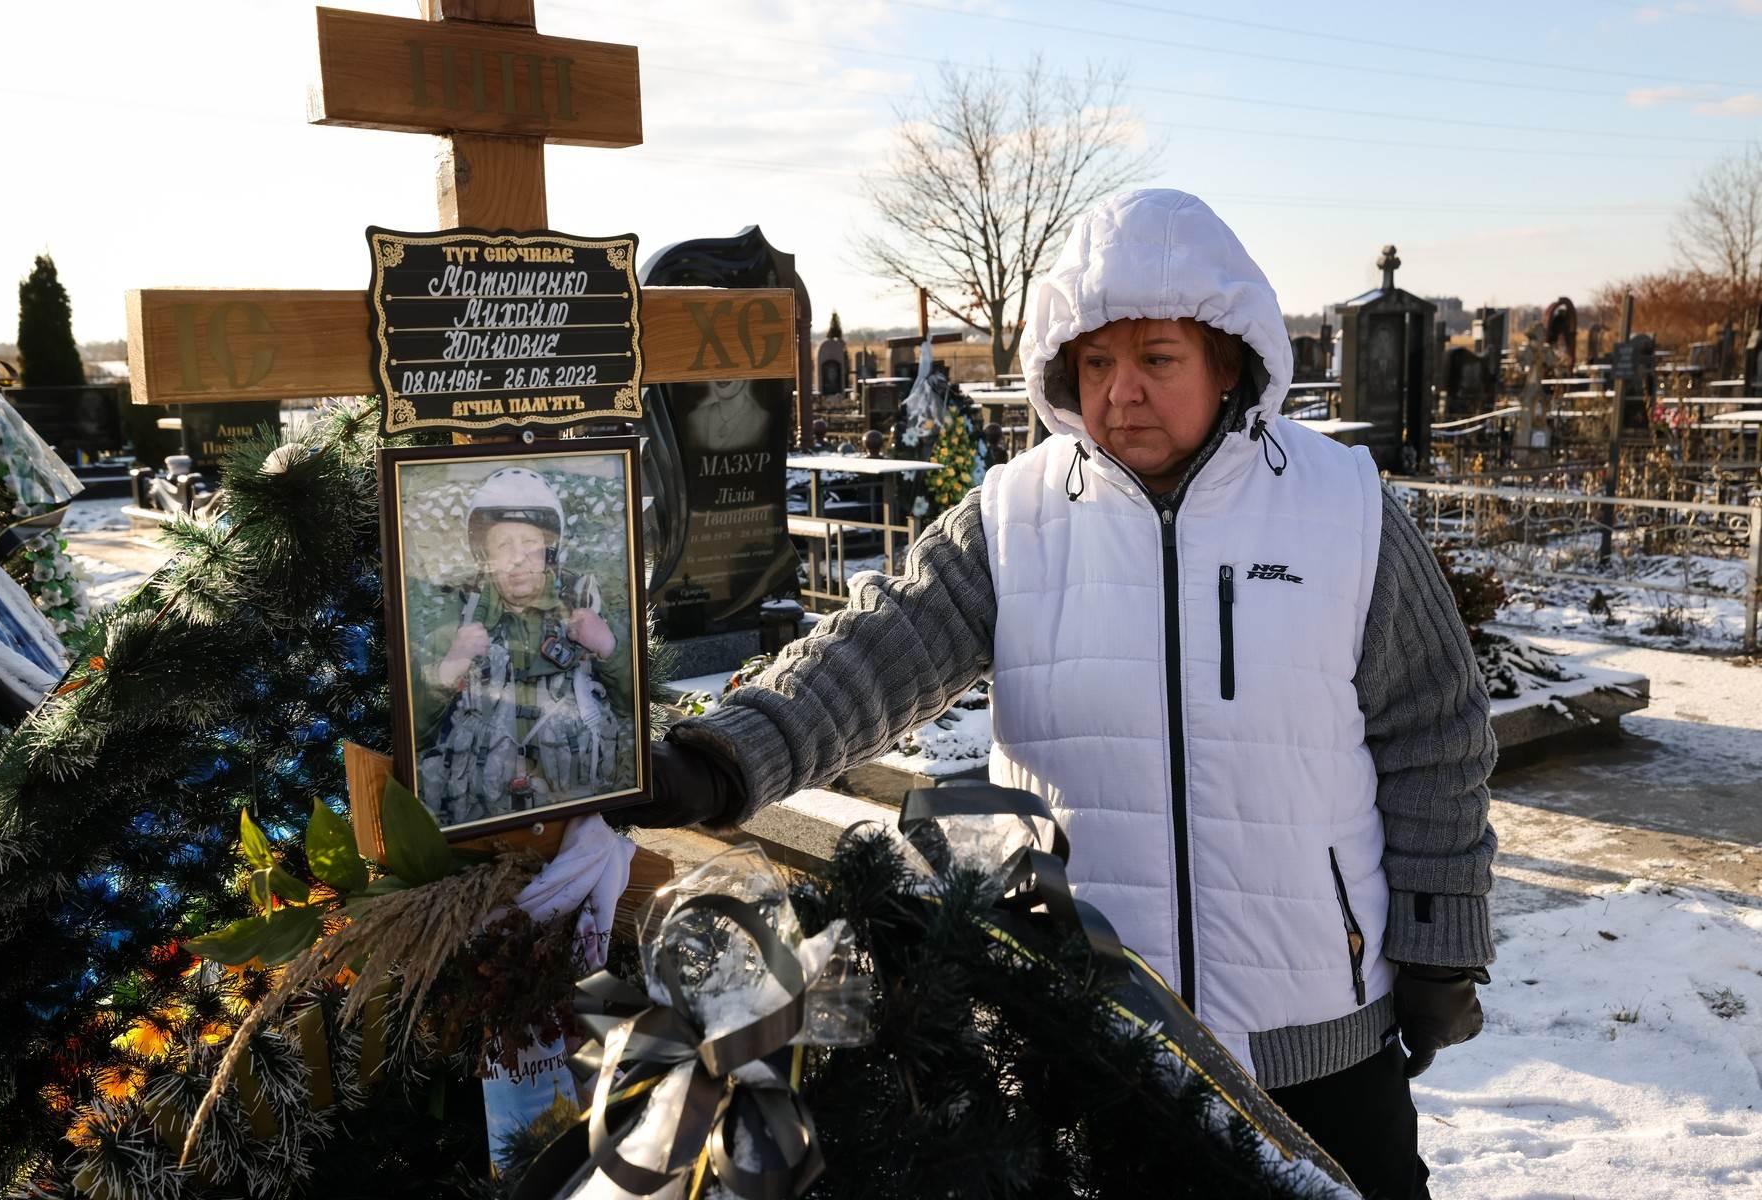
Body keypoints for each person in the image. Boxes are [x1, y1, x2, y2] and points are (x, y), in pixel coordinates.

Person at [629, 190, 1494, 1199]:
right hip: (1091, 1038)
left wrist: (1438, 942)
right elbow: (874, 652)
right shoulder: (1016, 520)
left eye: (1157, 359)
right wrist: (722, 758)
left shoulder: (1341, 509)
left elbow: (1437, 725)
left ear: (1229, 358)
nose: (1123, 392)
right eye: (1097, 364)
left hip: (1316, 1035)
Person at [416, 467, 633, 826]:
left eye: (530, 544)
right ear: (485, 555)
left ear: (549, 550)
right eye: (504, 545)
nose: (518, 558)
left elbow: (633, 707)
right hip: (479, 818)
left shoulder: (586, 608)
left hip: (576, 816)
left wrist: (609, 647)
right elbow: (418, 731)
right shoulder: (458, 618)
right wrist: (449, 666)